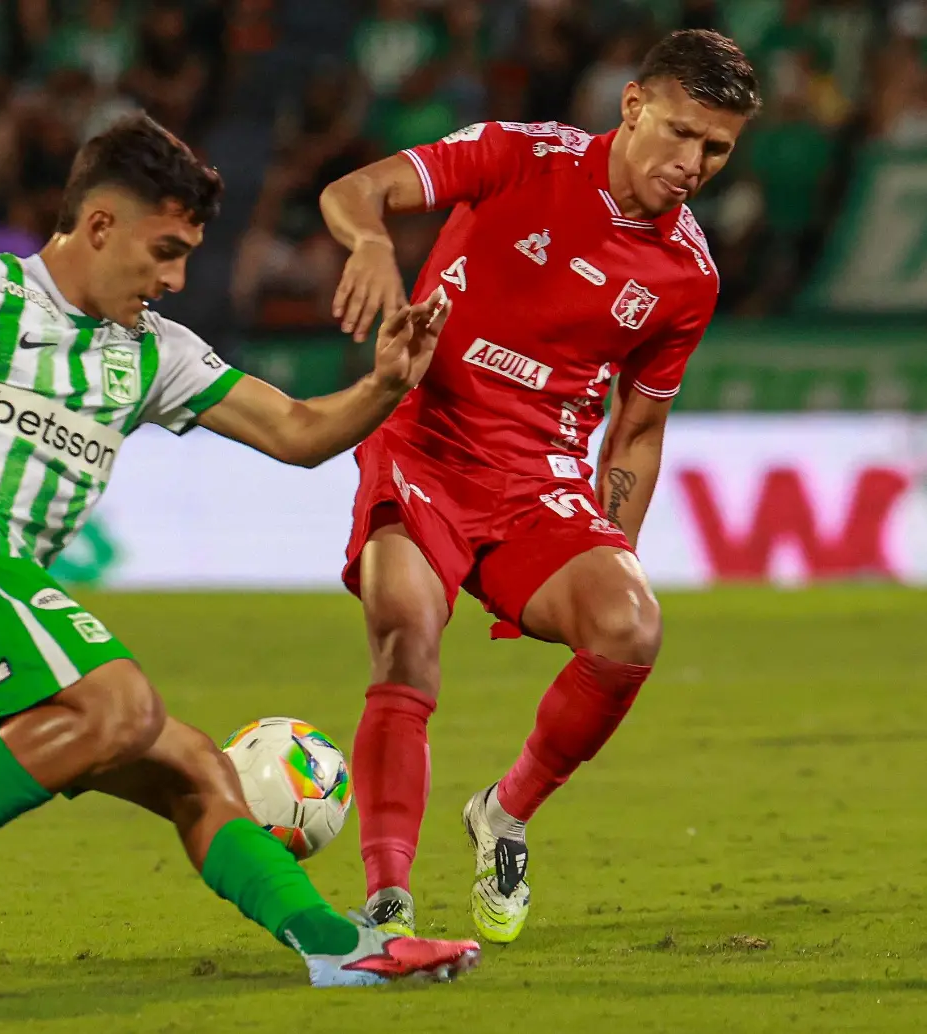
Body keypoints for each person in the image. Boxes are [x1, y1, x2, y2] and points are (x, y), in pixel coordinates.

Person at [0, 113, 480, 994]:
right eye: (163, 250)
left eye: (187, 256)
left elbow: (298, 432)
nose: (173, 278)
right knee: (121, 704)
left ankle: (337, 947)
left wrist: (385, 383)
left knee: (196, 771)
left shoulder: (154, 354)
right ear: (99, 225)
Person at [319, 29, 761, 943]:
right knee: (406, 631)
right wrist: (370, 245)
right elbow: (353, 190)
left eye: (715, 149)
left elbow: (638, 428)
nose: (693, 164)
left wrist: (607, 554)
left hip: (539, 478)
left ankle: (505, 813)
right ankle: (388, 900)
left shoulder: (687, 275)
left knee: (631, 626)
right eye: (680, 133)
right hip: (425, 442)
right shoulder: (521, 155)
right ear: (633, 105)